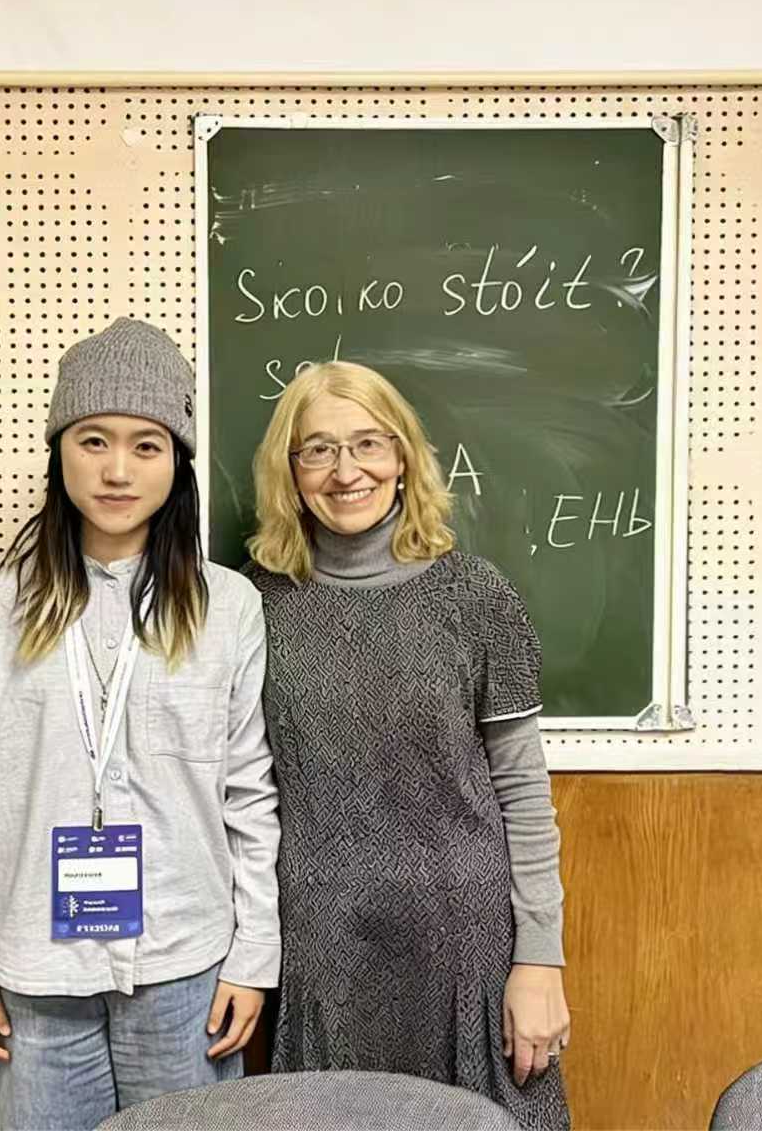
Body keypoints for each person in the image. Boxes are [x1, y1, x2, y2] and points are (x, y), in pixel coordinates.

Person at [0, 317, 279, 1131]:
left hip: (187, 967)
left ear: (175, 462)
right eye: (93, 441)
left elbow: (248, 795)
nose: (117, 470)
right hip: (32, 973)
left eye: (145, 446)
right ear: (60, 453)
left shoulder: (228, 609)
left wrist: (252, 956)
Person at [243, 361, 571, 1129]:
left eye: (368, 443)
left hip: (467, 950)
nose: (345, 471)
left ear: (402, 457)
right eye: (317, 450)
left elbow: (523, 792)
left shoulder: (475, 596)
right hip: (323, 952)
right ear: (289, 471)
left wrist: (539, 960)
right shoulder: (251, 607)